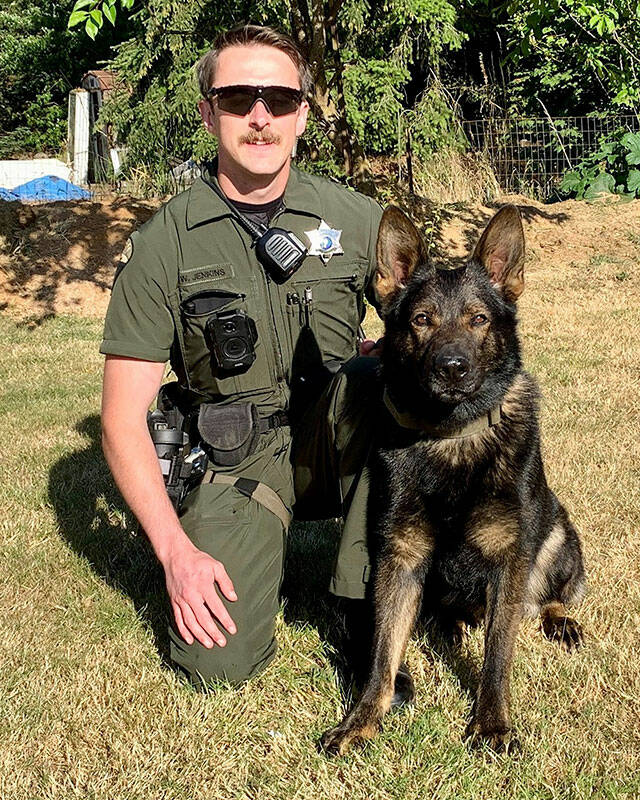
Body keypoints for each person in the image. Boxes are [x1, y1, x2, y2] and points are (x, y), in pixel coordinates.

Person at [100, 24, 385, 686]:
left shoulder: (357, 220)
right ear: (208, 113)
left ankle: (359, 598)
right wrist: (175, 555)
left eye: (279, 100)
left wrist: (387, 350)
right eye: (238, 99)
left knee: (382, 382)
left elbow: (432, 319)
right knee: (214, 665)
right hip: (239, 457)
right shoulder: (165, 242)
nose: (260, 117)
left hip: (339, 435)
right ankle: (237, 540)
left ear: (303, 114)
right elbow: (121, 417)